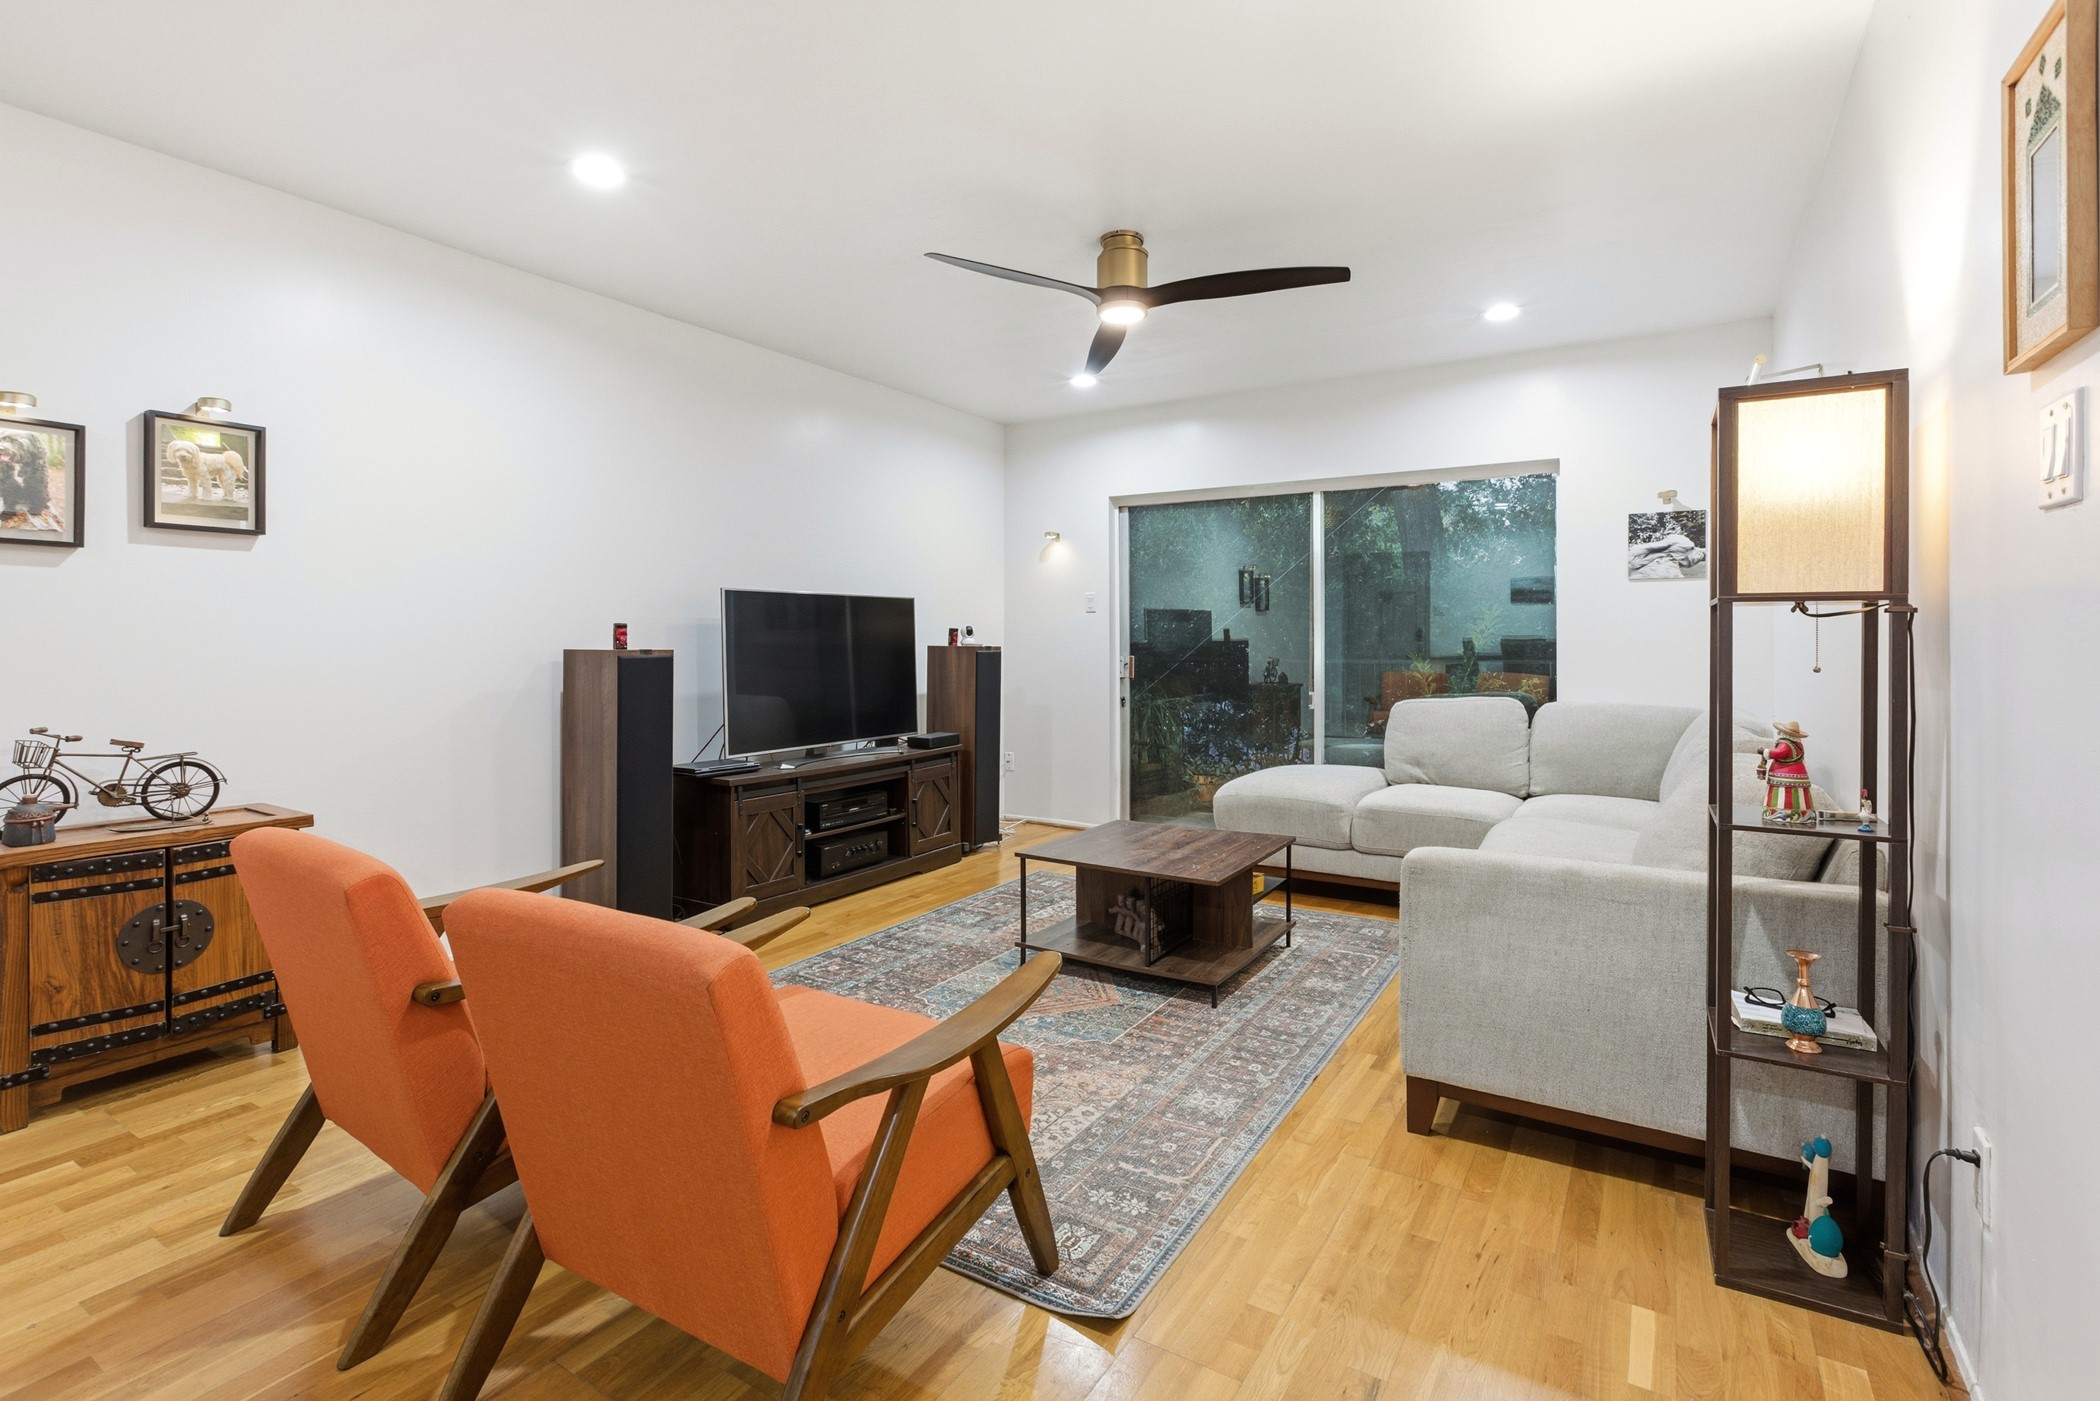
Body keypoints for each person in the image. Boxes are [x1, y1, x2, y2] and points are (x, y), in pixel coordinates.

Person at [1759, 721, 1815, 825]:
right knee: (1800, 795)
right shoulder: (1798, 744)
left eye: (1780, 731)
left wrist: (1765, 752)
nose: (1779, 733)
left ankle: (1779, 813)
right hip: (1799, 773)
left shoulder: (1785, 744)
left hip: (1784, 775)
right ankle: (1804, 814)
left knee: (1783, 794)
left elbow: (1779, 753)